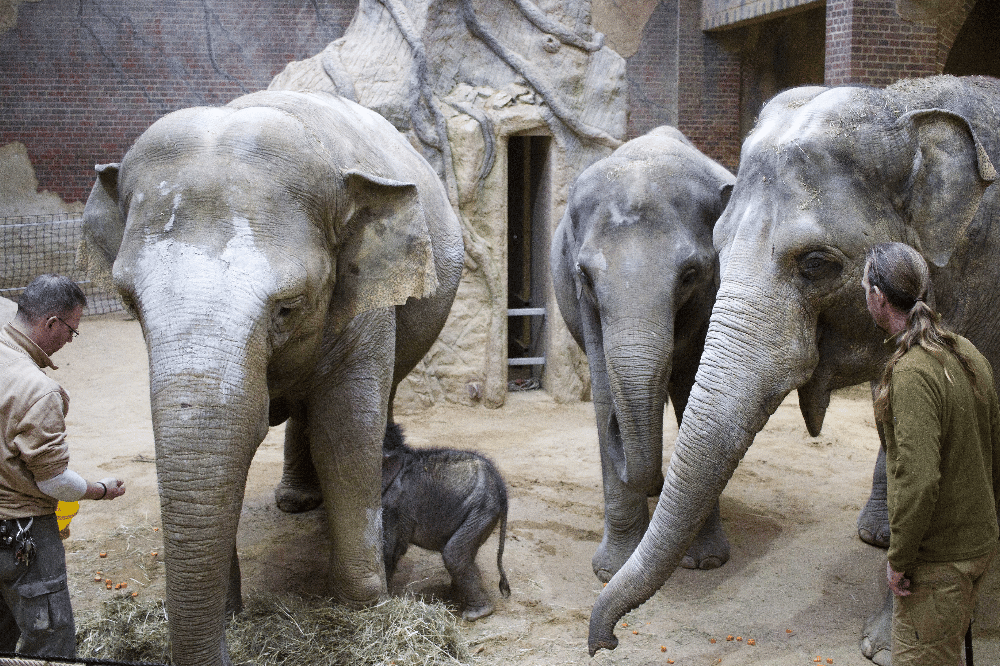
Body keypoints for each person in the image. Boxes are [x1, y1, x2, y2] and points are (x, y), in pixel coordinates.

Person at [862, 242, 1000, 665]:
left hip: (939, 562)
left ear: (878, 298)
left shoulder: (911, 373)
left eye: (864, 287)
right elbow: (990, 444)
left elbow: (918, 479)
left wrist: (899, 560)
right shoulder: (966, 351)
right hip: (976, 546)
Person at [0, 274, 126, 658]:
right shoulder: (38, 391)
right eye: (72, 330)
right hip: (21, 530)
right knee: (50, 639)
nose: (71, 340)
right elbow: (55, 482)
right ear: (51, 323)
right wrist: (98, 490)